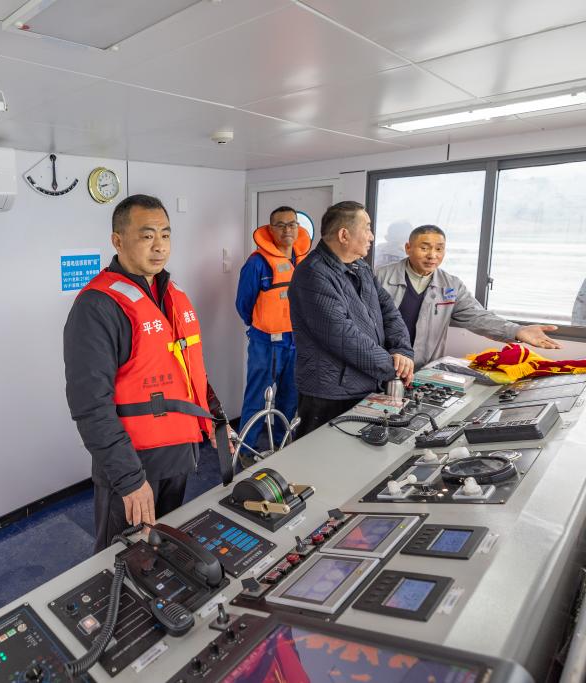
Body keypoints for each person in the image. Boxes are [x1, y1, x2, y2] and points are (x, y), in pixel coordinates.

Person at [64, 194, 228, 553]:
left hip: (179, 454)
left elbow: (188, 369)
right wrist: (129, 479)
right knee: (123, 558)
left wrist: (215, 418)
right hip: (134, 463)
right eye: (147, 236)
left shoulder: (169, 293)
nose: (160, 246)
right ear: (118, 241)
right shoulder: (98, 306)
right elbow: (90, 405)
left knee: (164, 550)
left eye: (166, 235)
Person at [289, 201, 415, 437]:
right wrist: (393, 367)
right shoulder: (312, 274)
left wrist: (402, 351)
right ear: (344, 235)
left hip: (367, 384)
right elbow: (342, 335)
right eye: (367, 228)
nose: (372, 236)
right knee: (320, 457)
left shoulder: (361, 268)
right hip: (329, 394)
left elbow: (389, 311)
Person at [375, 224, 560, 368]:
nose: (432, 255)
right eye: (424, 248)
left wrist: (517, 331)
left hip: (422, 369)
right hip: (382, 364)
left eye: (439, 249)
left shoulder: (451, 285)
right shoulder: (380, 277)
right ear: (408, 248)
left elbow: (477, 316)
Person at [235, 206, 311, 449]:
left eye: (292, 224)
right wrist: (263, 323)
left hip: (296, 342)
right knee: (257, 397)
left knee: (290, 397)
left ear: (298, 227)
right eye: (280, 225)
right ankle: (246, 449)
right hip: (266, 343)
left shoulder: (304, 261)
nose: (287, 229)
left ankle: (283, 443)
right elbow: (243, 304)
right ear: (270, 229)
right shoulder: (257, 263)